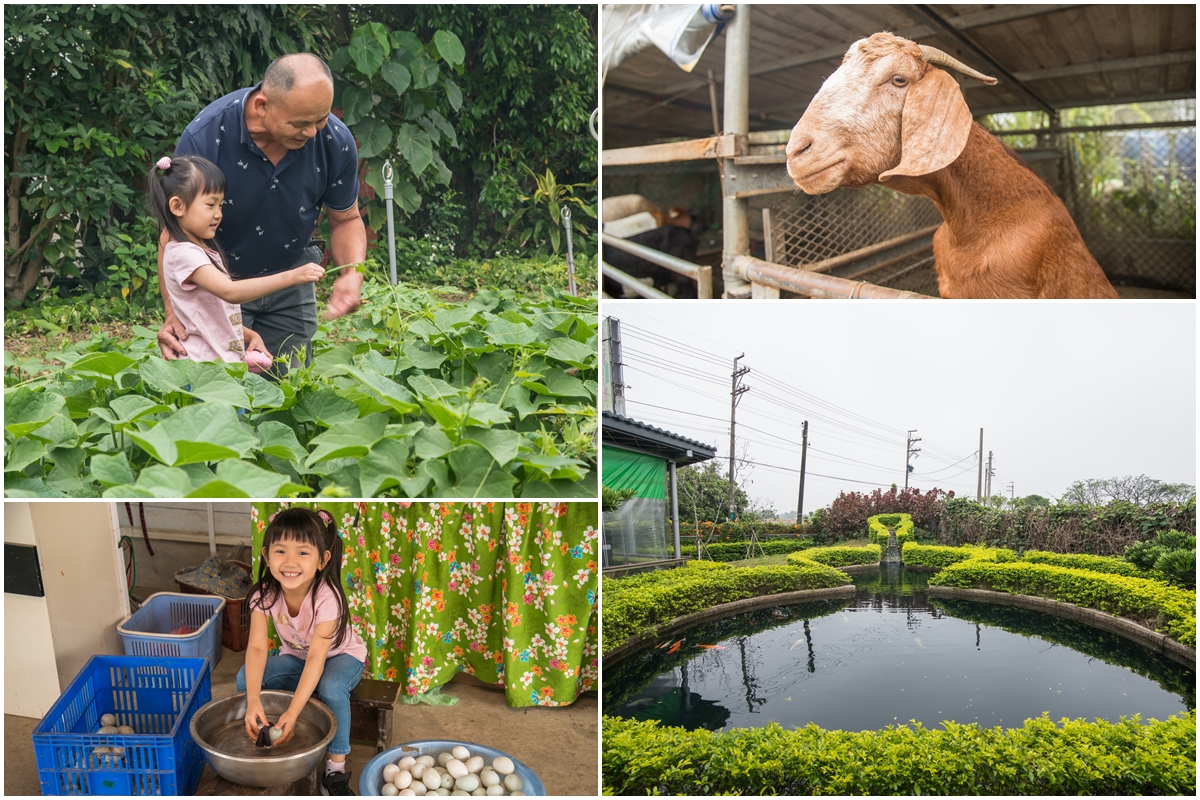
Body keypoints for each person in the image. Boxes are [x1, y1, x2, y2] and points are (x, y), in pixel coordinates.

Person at [157, 53, 366, 373]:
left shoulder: (335, 140)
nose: (313, 132)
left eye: (321, 118)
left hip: (291, 278)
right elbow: (174, 230)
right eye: (300, 123)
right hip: (218, 280)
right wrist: (173, 312)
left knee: (288, 385)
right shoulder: (208, 136)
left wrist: (352, 275)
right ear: (262, 106)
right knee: (219, 387)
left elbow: (346, 218)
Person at [147, 154, 325, 367]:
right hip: (200, 368)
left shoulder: (201, 250)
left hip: (218, 366)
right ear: (177, 206)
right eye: (210, 205)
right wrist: (292, 277)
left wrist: (249, 335)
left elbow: (211, 317)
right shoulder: (184, 254)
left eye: (221, 205)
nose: (218, 214)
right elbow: (230, 292)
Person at [239, 507, 368, 796]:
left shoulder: (327, 598)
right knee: (244, 679)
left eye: (302, 552)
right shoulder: (263, 594)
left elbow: (317, 657)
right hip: (298, 658)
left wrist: (294, 711)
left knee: (331, 687)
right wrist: (252, 701)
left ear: (322, 560)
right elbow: (257, 647)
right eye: (280, 551)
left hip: (341, 657)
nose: (290, 562)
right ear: (266, 555)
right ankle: (266, 729)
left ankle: (335, 771)